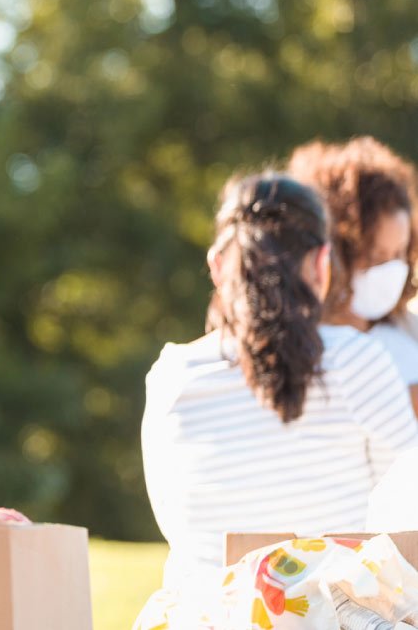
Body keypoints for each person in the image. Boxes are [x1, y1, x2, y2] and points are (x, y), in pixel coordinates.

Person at [142, 172, 418, 589]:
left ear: (217, 265)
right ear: (322, 264)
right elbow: (406, 506)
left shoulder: (170, 378)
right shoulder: (356, 360)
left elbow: (176, 525)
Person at [288, 137, 418, 416]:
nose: (391, 270)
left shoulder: (410, 331)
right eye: (374, 257)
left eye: (399, 255)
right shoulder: (297, 349)